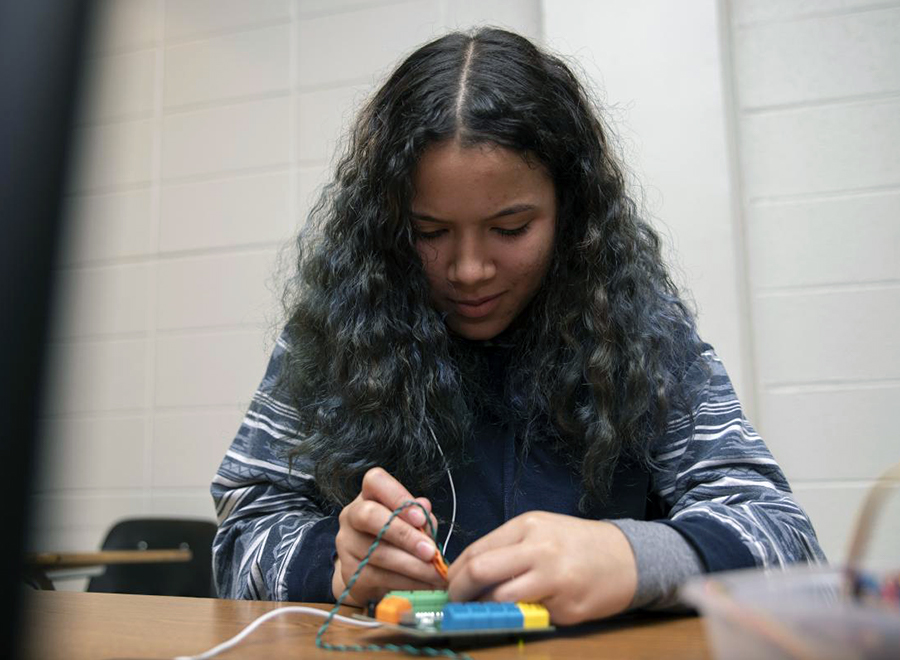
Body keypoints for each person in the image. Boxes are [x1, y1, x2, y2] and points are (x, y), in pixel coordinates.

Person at [211, 28, 823, 624]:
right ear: (389, 224)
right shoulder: (337, 329)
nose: (470, 270)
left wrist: (633, 556)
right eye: (429, 233)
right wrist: (333, 566)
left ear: (570, 211)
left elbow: (784, 536)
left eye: (510, 229)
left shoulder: (641, 330)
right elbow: (242, 532)